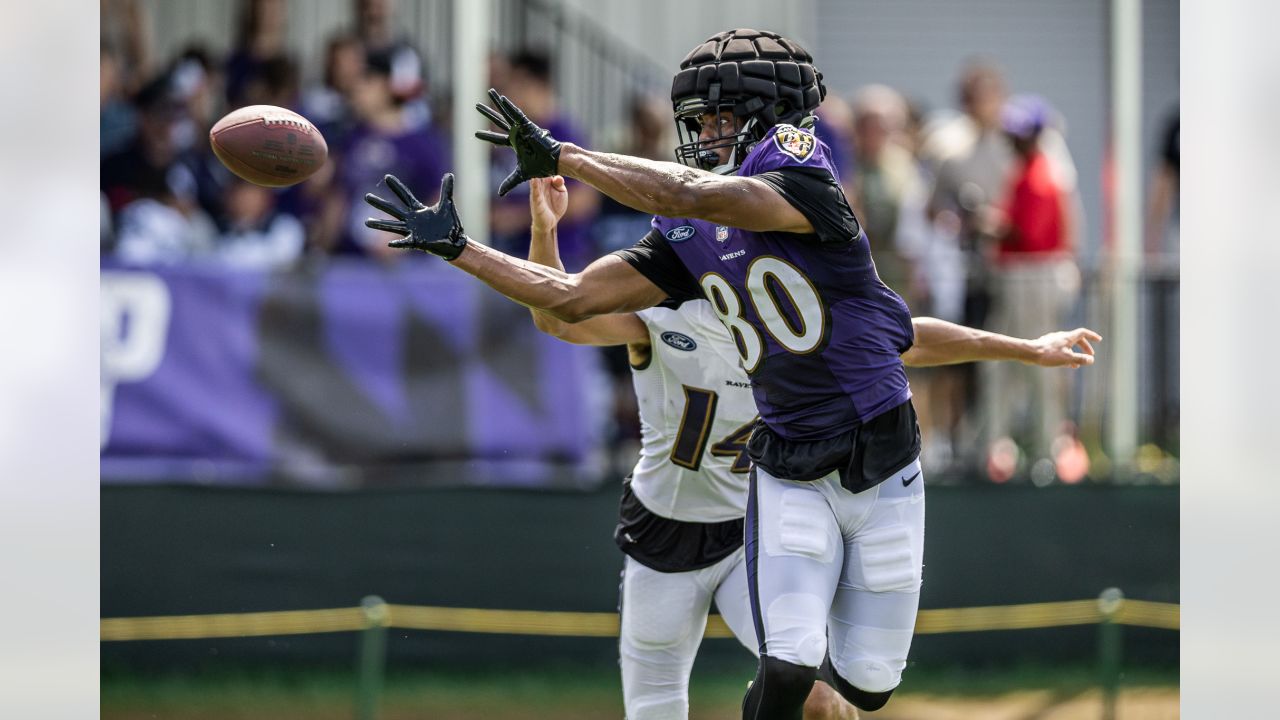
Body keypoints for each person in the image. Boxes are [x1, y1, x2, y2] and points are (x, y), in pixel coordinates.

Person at [363, 29, 1100, 718]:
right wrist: (460, 246)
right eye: (700, 121)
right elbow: (570, 304)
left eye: (716, 119)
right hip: (684, 518)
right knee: (733, 685)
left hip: (768, 505)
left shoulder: (797, 187)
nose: (703, 135)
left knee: (840, 691)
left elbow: (896, 334)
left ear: (766, 119)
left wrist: (570, 157)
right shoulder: (684, 263)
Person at [521, 174, 1099, 720]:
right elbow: (558, 319)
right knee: (655, 708)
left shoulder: (801, 307)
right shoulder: (662, 312)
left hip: (750, 528)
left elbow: (911, 339)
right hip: (663, 529)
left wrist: (1028, 348)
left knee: (822, 697)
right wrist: (545, 232)